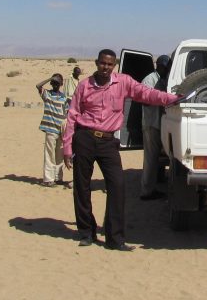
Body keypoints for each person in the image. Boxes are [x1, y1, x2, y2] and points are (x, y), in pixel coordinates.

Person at [62, 49, 180, 251]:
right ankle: (85, 233)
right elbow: (72, 115)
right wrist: (67, 147)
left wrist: (170, 98)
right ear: (96, 63)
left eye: (109, 64)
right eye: (102, 63)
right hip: (85, 139)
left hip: (108, 142)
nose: (105, 67)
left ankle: (114, 238)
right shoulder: (84, 86)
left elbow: (146, 93)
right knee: (81, 188)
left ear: (114, 65)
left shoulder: (123, 82)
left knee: (117, 186)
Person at [139, 54, 172, 201]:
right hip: (151, 123)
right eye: (166, 68)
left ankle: (156, 182)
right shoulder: (149, 80)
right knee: (150, 158)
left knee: (158, 157)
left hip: (160, 123)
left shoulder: (164, 79)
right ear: (159, 66)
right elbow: (144, 100)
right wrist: (160, 98)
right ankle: (147, 191)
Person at [36, 73, 69, 187]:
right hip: (50, 129)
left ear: (61, 84)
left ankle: (58, 177)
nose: (55, 85)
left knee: (60, 155)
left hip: (61, 130)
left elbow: (67, 113)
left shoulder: (64, 97)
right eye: (53, 82)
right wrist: (50, 78)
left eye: (57, 82)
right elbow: (38, 85)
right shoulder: (47, 94)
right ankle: (48, 179)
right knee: (49, 155)